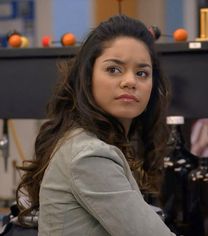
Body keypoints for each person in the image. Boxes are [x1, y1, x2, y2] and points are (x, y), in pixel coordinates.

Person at [16, 15, 174, 235]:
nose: (130, 81)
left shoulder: (88, 142)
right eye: (114, 69)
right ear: (87, 77)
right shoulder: (90, 156)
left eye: (142, 73)